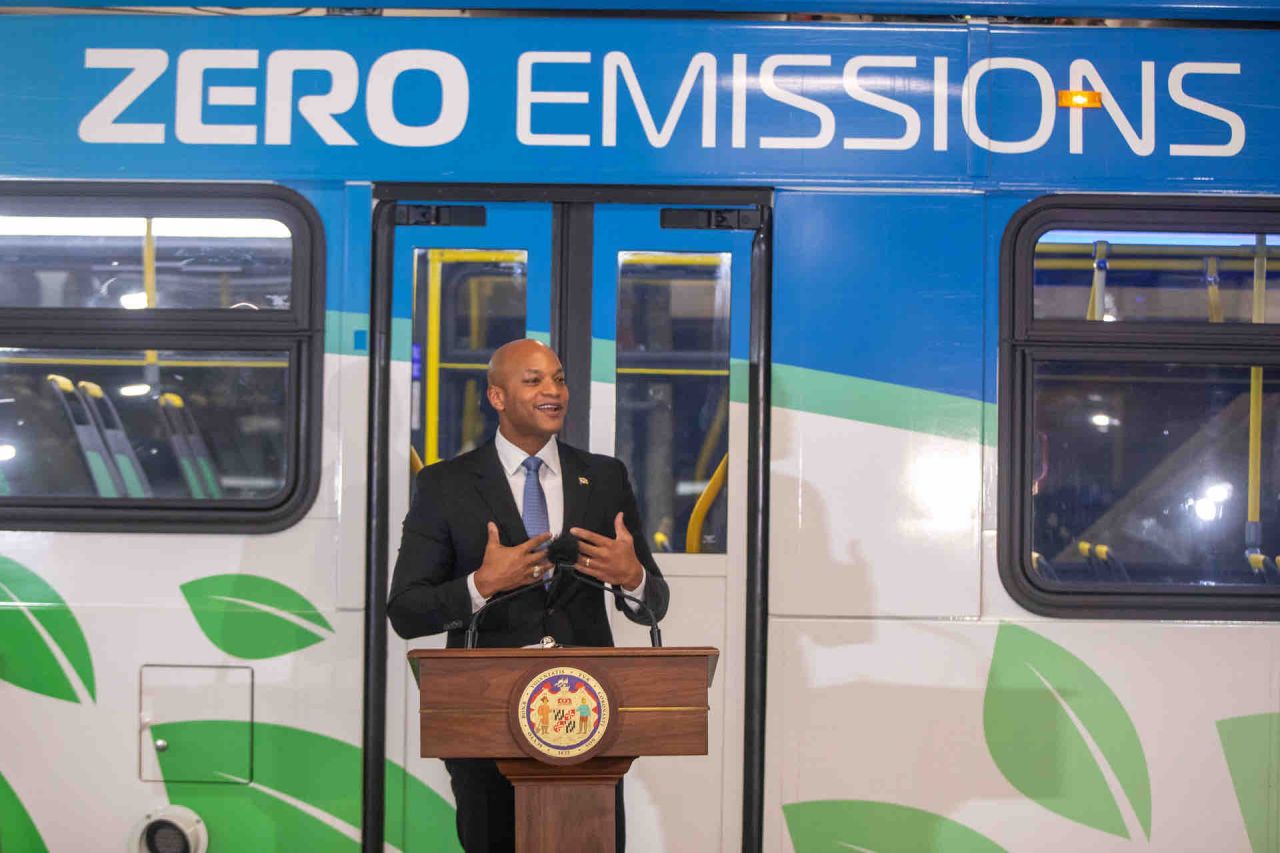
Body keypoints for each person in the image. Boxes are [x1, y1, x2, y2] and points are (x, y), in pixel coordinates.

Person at [387, 338, 670, 853]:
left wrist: (633, 578)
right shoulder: (446, 484)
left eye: (559, 379)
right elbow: (406, 611)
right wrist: (482, 585)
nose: (553, 391)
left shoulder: (605, 477)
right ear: (497, 396)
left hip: (589, 719)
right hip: (486, 719)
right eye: (534, 380)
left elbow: (654, 602)